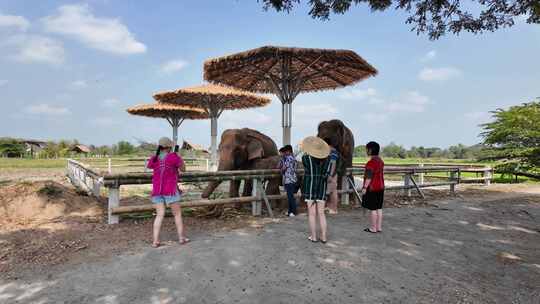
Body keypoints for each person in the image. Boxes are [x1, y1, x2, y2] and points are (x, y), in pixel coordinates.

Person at [146, 137, 189, 247]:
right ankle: (181, 238)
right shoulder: (174, 157)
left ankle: (155, 241)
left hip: (157, 191)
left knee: (159, 215)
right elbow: (183, 169)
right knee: (177, 214)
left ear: (160, 146)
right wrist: (179, 158)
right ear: (170, 147)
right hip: (170, 190)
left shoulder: (154, 158)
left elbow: (149, 166)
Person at [301, 136, 331, 244]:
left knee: (312, 214)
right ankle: (323, 237)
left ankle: (313, 237)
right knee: (321, 213)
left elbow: (304, 161)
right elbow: (327, 174)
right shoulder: (328, 159)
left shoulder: (306, 158)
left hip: (310, 188)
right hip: (321, 189)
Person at [361, 141, 385, 233]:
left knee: (372, 209)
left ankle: (373, 228)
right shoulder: (380, 161)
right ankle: (379, 227)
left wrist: (364, 188)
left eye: (367, 149)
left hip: (372, 188)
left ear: (370, 150)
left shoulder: (370, 163)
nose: (366, 151)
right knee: (379, 208)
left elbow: (368, 177)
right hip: (381, 187)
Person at [278, 144, 298, 217]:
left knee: (290, 197)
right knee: (290, 196)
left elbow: (284, 168)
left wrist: (281, 170)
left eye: (285, 151)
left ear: (289, 151)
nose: (285, 153)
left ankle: (293, 211)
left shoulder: (289, 158)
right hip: (293, 178)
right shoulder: (293, 158)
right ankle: (290, 211)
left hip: (289, 179)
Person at [325, 144, 340, 214]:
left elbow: (333, 163)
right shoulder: (332, 151)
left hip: (332, 175)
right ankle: (330, 207)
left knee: (333, 191)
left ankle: (334, 209)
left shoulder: (333, 152)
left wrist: (330, 175)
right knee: (330, 191)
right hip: (332, 174)